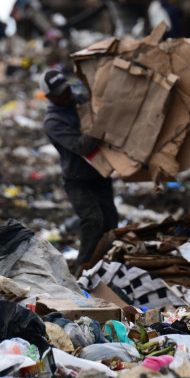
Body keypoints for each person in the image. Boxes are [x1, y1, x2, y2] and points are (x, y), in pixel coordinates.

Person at [41, 69, 118, 276]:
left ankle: (107, 270)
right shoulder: (53, 122)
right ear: (50, 97)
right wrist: (100, 125)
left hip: (99, 174)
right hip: (78, 180)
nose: (67, 95)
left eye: (67, 90)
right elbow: (82, 146)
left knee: (111, 223)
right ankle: (81, 274)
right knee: (92, 222)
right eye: (61, 93)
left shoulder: (81, 100)